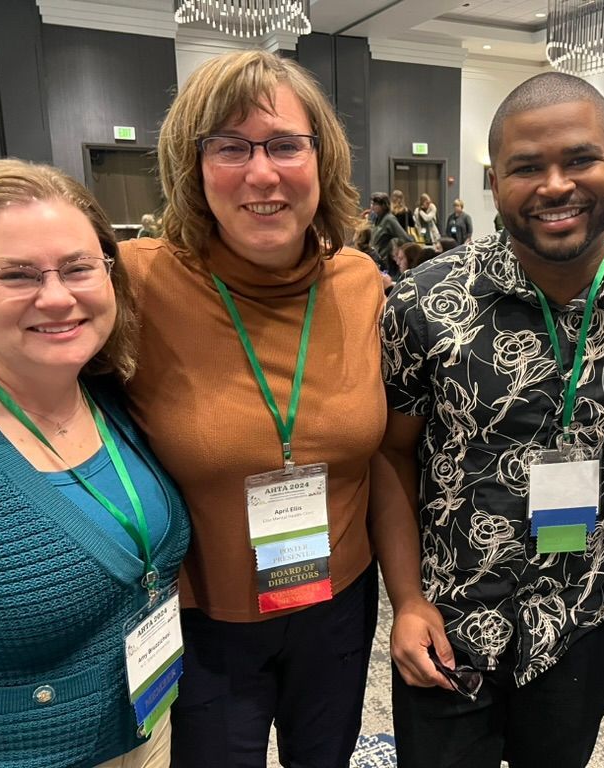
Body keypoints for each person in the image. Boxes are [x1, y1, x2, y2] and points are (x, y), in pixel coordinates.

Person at [374, 71, 604, 768]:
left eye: (580, 160)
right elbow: (391, 455)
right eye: (527, 167)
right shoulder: (424, 303)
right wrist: (405, 600)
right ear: (495, 181)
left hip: (580, 623)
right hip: (449, 625)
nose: (556, 186)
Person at [118, 50, 386, 768]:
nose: (262, 174)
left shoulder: (360, 282)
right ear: (192, 166)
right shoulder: (137, 283)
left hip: (338, 604)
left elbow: (392, 455)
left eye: (284, 145)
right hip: (204, 618)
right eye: (230, 147)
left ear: (321, 159)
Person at [0, 158, 189, 767]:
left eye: (79, 268)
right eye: (15, 274)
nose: (57, 297)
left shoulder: (112, 397)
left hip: (147, 726)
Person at [371, 191, 414, 275]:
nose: (372, 207)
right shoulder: (376, 219)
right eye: (372, 204)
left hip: (387, 264)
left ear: (383, 205)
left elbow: (405, 238)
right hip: (378, 260)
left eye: (375, 204)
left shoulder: (389, 219)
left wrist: (393, 248)